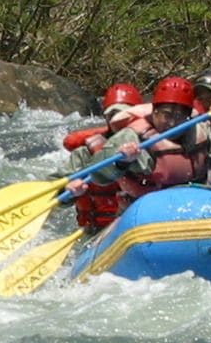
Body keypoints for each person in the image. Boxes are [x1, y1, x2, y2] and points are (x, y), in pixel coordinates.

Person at [60, 82, 148, 233]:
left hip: (140, 227)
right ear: (106, 118)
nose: (119, 120)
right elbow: (58, 199)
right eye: (113, 115)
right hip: (97, 232)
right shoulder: (84, 154)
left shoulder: (153, 147)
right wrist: (68, 193)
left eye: (126, 115)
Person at [125, 75, 210, 197]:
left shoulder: (203, 129)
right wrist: (122, 162)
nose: (172, 123)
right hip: (149, 207)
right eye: (167, 115)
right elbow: (101, 177)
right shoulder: (133, 137)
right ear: (154, 112)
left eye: (179, 116)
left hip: (194, 203)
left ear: (188, 117)